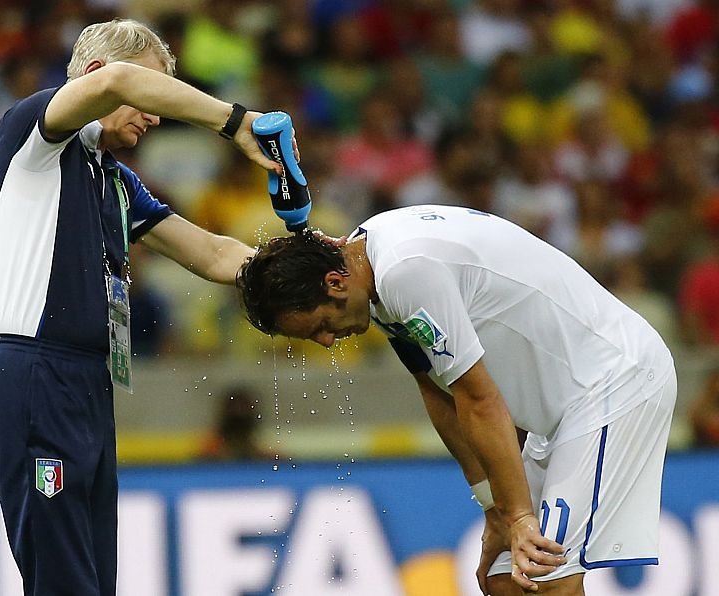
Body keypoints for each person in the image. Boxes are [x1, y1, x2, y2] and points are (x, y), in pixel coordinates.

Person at [0, 18, 288, 596]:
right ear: (96, 78)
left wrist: (313, 269)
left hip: (88, 388)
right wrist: (235, 121)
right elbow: (120, 80)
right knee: (63, 582)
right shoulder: (33, 136)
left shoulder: (112, 180)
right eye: (151, 91)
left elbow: (215, 254)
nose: (156, 114)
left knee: (92, 583)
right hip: (34, 376)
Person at [237, 204, 677, 595]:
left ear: (334, 283)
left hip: (612, 383)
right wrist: (495, 510)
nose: (328, 340)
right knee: (504, 580)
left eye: (320, 326)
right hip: (564, 412)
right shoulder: (368, 268)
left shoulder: (406, 272)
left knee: (546, 577)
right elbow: (436, 389)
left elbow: (479, 400)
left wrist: (519, 517)